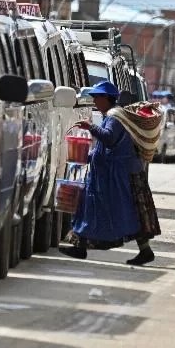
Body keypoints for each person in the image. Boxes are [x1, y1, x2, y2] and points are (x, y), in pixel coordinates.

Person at [60, 80, 162, 266]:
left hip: (115, 177)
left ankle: (145, 251)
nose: (95, 102)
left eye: (97, 97)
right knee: (93, 208)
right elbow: (103, 147)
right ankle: (80, 246)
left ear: (107, 98)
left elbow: (109, 138)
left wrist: (90, 126)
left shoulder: (114, 117)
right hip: (108, 175)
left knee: (128, 212)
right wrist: (87, 155)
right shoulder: (112, 116)